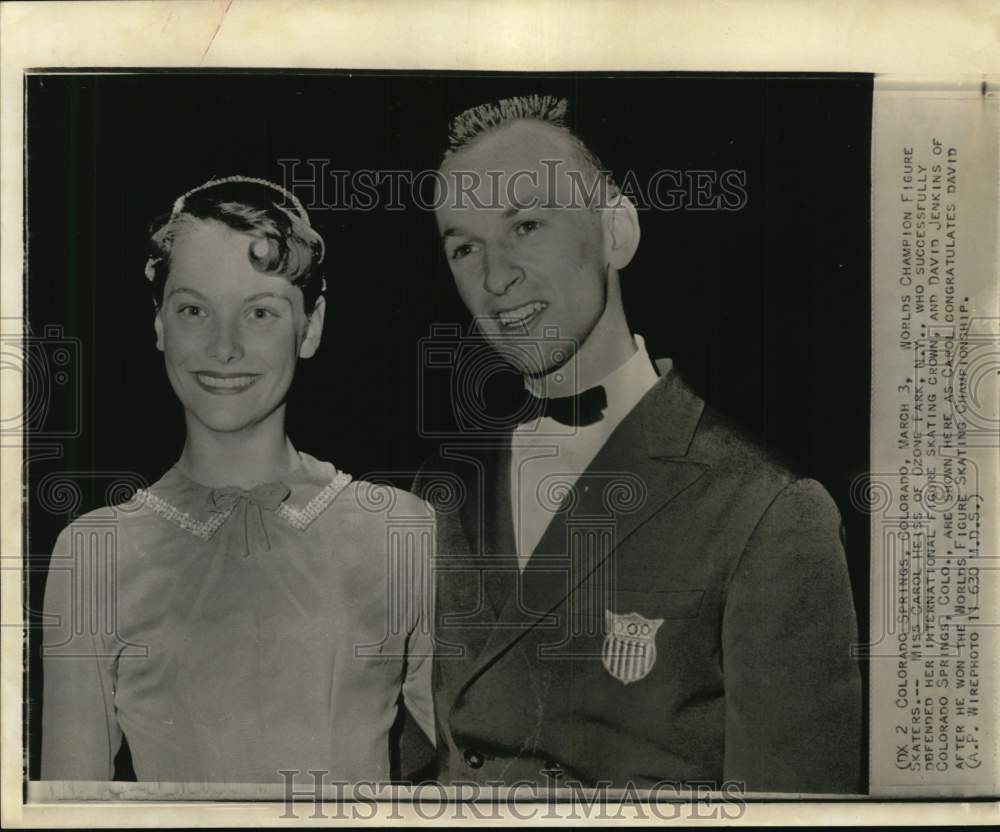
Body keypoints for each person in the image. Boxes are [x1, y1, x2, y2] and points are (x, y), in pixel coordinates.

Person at [413, 95, 862, 793]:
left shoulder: (766, 512)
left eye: (527, 225)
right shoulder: (437, 498)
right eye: (464, 247)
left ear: (616, 233)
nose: (495, 279)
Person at [41, 176, 434, 783]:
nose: (224, 348)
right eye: (195, 310)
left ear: (311, 325)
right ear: (159, 325)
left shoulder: (402, 529)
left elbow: (472, 774)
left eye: (259, 313)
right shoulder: (94, 553)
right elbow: (69, 806)